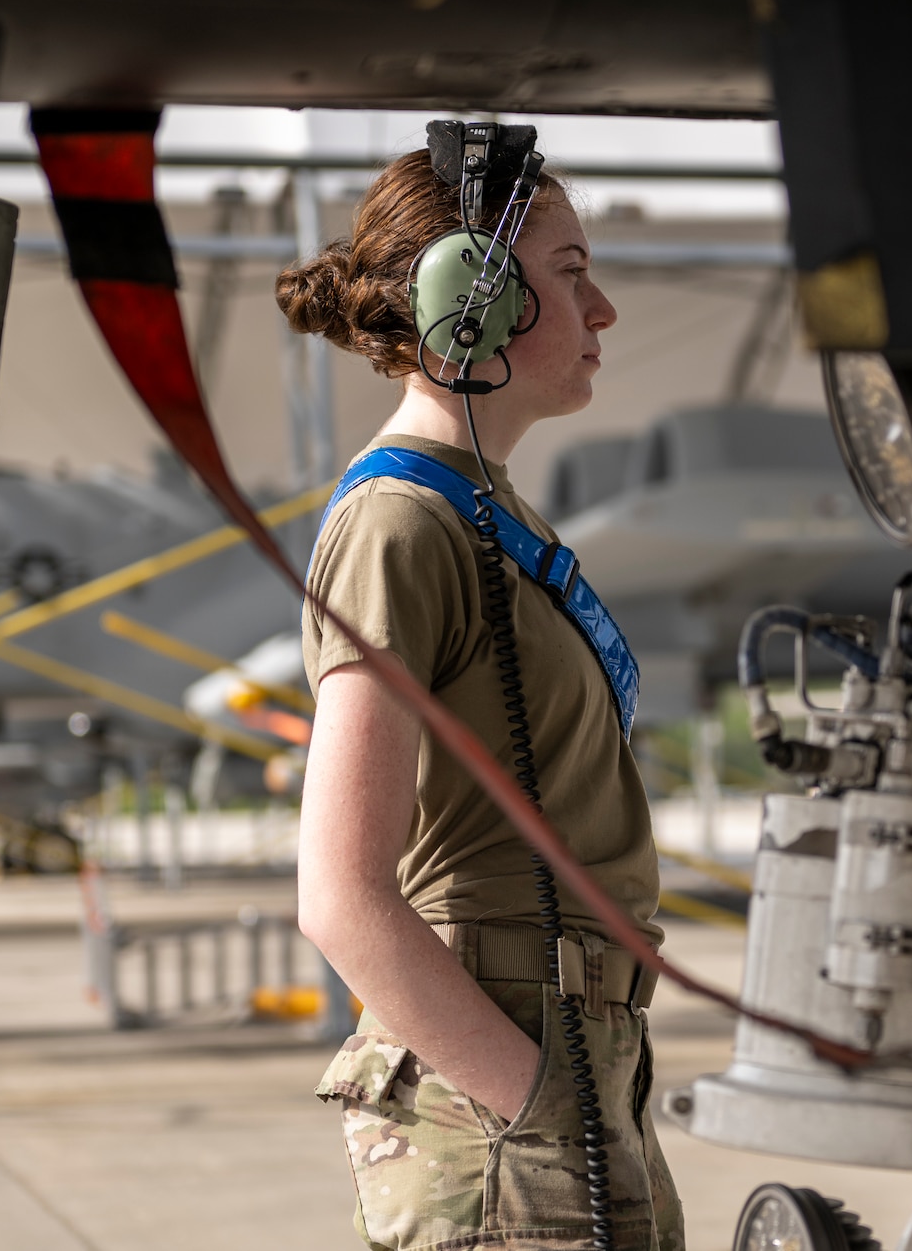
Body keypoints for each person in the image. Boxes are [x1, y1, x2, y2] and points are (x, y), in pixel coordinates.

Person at [279, 144, 683, 1251]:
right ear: (477, 297)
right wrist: (537, 1105)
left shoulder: (487, 514)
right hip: (511, 1081)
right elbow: (341, 893)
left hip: (574, 1056)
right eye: (567, 270)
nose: (601, 309)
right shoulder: (400, 525)